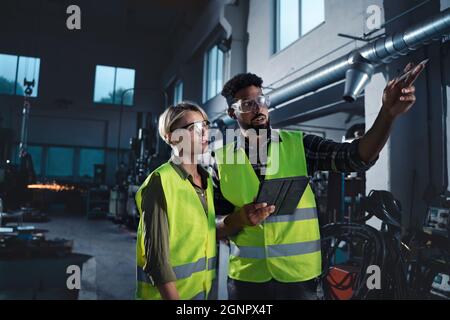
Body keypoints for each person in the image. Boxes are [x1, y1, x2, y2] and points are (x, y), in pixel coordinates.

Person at [214, 62, 424, 300]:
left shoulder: (299, 145)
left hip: (299, 278)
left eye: (261, 100)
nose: (259, 109)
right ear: (233, 113)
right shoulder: (220, 161)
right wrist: (237, 219)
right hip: (247, 280)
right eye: (248, 104)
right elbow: (213, 226)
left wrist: (387, 115)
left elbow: (355, 157)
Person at [135, 102, 274, 300]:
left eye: (205, 125)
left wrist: (240, 219)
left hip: (200, 293)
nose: (204, 133)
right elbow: (157, 263)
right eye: (194, 128)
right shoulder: (161, 182)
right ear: (171, 137)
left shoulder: (206, 181)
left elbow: (207, 233)